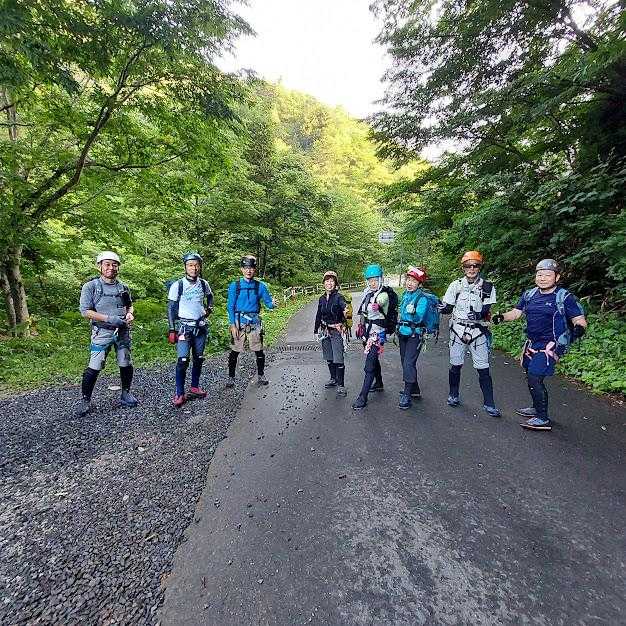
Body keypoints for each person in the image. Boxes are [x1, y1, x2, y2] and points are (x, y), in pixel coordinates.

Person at [492, 259, 587, 431]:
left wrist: (579, 328)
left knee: (535, 376)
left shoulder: (564, 297)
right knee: (530, 374)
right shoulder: (529, 295)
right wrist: (502, 317)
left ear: (557, 277)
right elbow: (516, 313)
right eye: (539, 274)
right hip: (532, 343)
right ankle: (536, 408)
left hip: (551, 344)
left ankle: (542, 418)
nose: (542, 278)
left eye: (547, 275)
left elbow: (579, 319)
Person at [439, 250, 501, 417]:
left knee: (483, 367)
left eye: (475, 265)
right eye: (468, 266)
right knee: (455, 365)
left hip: (478, 331)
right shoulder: (455, 285)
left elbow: (487, 310)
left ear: (480, 267)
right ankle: (453, 395)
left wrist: (479, 315)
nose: (471, 269)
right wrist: (440, 307)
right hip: (457, 329)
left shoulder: (487, 287)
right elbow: (448, 308)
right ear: (463, 268)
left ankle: (489, 403)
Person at [76, 251, 137, 416]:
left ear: (118, 267)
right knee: (95, 365)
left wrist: (130, 314)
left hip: (122, 331)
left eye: (114, 264)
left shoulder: (123, 287)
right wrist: (109, 318)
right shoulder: (91, 287)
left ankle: (126, 393)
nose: (111, 267)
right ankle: (85, 400)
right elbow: (85, 311)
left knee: (125, 362)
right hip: (102, 332)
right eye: (107, 264)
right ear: (100, 266)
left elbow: (129, 306)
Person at [167, 253, 214, 407]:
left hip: (200, 327)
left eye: (196, 265)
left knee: (199, 358)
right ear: (185, 267)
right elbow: (170, 308)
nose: (194, 268)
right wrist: (172, 329)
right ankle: (179, 393)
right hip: (184, 328)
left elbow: (210, 296)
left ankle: (194, 387)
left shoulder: (204, 284)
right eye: (190, 265)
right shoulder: (178, 285)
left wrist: (209, 308)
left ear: (200, 267)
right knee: (183, 360)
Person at [351, 263, 397, 410]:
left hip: (378, 334)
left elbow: (383, 303)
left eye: (375, 280)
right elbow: (363, 312)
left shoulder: (383, 295)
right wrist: (360, 327)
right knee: (373, 358)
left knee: (369, 364)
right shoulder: (367, 293)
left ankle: (362, 397)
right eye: (370, 280)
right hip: (367, 332)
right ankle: (379, 383)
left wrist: (380, 305)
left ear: (380, 280)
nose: (372, 283)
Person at [226, 255, 275, 387]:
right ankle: (231, 377)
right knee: (235, 351)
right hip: (238, 322)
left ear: (255, 269)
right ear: (242, 269)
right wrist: (232, 324)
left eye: (251, 268)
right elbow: (230, 306)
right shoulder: (235, 286)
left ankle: (261, 375)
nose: (249, 271)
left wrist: (273, 304)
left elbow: (268, 303)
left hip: (254, 322)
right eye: (246, 268)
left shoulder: (260, 286)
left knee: (258, 350)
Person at [396, 266, 431, 410]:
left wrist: (412, 312)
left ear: (419, 284)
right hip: (403, 333)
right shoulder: (405, 295)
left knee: (408, 363)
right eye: (408, 280)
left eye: (414, 281)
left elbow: (418, 318)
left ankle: (407, 394)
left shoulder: (422, 298)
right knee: (405, 362)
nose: (409, 283)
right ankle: (414, 390)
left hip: (414, 334)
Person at [314, 271, 349, 397]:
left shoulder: (339, 297)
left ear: (335, 283)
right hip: (325, 331)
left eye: (332, 281)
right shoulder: (322, 298)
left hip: (336, 332)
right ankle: (333, 379)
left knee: (338, 358)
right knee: (329, 357)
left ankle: (341, 385)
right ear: (323, 283)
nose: (329, 283)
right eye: (327, 281)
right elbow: (318, 315)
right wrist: (315, 331)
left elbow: (344, 306)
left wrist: (345, 310)